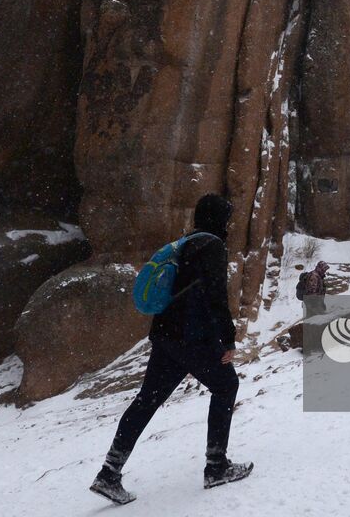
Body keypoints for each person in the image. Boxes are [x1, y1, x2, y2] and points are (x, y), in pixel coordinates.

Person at [91, 194, 252, 505]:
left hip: (166, 334)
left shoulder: (186, 242)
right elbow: (216, 295)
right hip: (193, 336)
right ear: (219, 219)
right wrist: (228, 339)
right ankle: (217, 467)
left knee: (147, 399)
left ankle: (109, 472)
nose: (229, 224)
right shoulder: (212, 245)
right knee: (226, 385)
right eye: (227, 218)